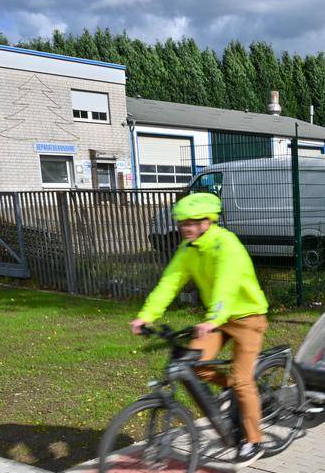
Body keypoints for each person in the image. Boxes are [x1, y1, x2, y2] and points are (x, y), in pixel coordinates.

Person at [129, 192, 269, 466]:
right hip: (216, 319)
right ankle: (235, 391)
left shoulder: (226, 244)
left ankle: (254, 441)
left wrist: (213, 318)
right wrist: (146, 316)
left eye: (191, 222)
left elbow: (226, 286)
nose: (184, 228)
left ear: (207, 221)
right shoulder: (188, 249)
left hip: (247, 317)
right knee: (193, 364)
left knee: (242, 379)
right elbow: (169, 283)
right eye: (182, 223)